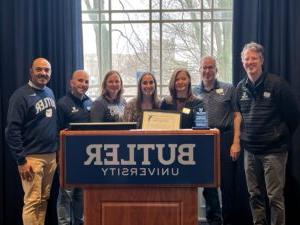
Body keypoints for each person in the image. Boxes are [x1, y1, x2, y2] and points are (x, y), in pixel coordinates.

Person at [233, 42, 299, 225]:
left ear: (261, 60)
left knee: (274, 197)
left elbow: (293, 115)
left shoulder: (277, 85)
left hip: (274, 151)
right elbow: (239, 115)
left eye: (254, 58)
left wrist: (278, 134)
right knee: (254, 195)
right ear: (242, 62)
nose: (250, 62)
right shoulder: (240, 88)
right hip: (250, 151)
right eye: (246, 59)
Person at [5, 58, 57, 225]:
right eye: (39, 69)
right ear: (31, 71)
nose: (43, 73)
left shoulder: (50, 92)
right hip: (32, 157)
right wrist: (21, 160)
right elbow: (11, 131)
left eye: (47, 70)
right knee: (32, 201)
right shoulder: (20, 95)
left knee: (43, 199)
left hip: (50, 156)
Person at [193, 56, 241, 225]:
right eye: (204, 68)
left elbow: (237, 115)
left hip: (226, 138)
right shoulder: (193, 92)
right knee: (209, 185)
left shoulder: (228, 88)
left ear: (216, 70)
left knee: (227, 184)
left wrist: (236, 142)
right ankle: (213, 220)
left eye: (211, 67)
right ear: (199, 70)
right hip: (204, 140)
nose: (207, 71)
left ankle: (228, 220)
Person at [56, 70, 92, 225]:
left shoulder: (89, 103)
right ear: (72, 82)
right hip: (67, 158)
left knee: (81, 197)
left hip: (86, 159)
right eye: (80, 80)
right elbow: (56, 133)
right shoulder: (62, 104)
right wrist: (59, 159)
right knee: (65, 197)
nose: (83, 84)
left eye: (86, 82)